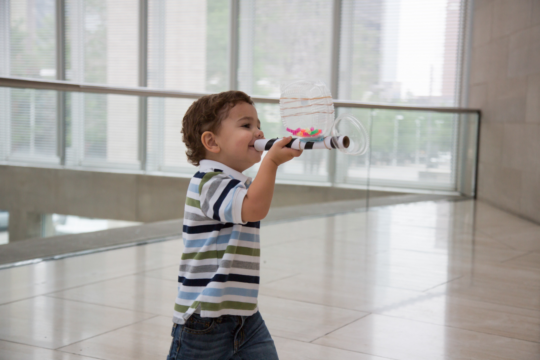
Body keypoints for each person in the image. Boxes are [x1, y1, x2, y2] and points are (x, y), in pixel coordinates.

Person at [167, 90, 302, 360]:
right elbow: (254, 208)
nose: (259, 132)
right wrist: (272, 161)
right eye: (246, 125)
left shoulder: (235, 184)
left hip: (245, 315)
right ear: (212, 142)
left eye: (259, 125)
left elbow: (253, 202)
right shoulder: (208, 182)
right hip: (205, 319)